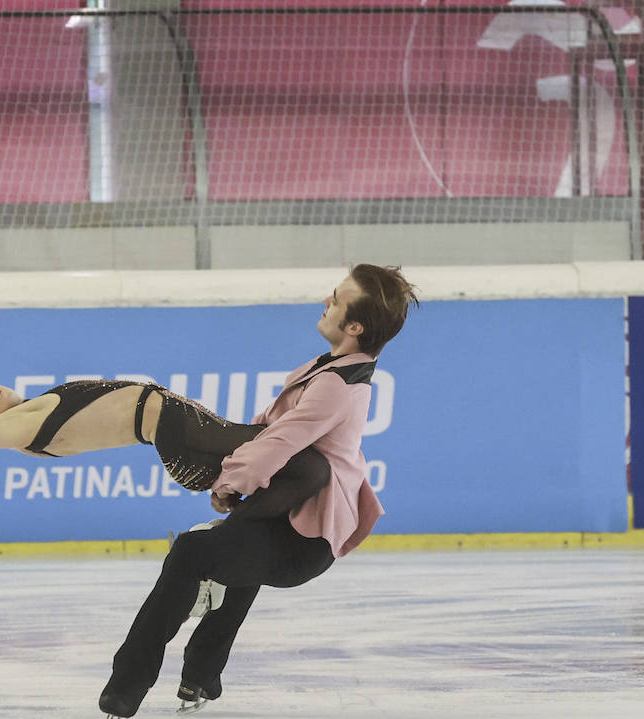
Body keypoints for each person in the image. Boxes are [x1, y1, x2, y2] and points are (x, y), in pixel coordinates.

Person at [98, 264, 418, 718]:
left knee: (192, 551)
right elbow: (267, 428)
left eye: (336, 299)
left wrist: (230, 483)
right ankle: (200, 679)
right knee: (228, 560)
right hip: (282, 518)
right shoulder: (329, 370)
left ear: (354, 326)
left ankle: (124, 691)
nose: (325, 302)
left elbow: (276, 443)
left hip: (301, 543)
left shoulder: (335, 386)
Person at [0, 322, 331, 518]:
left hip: (183, 427)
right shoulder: (17, 428)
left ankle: (241, 525)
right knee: (293, 445)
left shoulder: (22, 412)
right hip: (180, 436)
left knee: (292, 458)